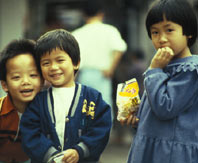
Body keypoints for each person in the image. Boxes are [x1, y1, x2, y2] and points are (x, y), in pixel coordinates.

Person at [20, 29, 112, 163]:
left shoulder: (93, 98)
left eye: (60, 60)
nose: (53, 67)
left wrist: (79, 151)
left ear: (76, 63)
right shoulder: (37, 102)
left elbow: (101, 129)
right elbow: (29, 133)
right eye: (46, 63)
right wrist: (50, 155)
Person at [124, 0, 198, 162]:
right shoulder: (162, 66)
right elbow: (155, 111)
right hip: (153, 147)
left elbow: (165, 107)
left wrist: (155, 70)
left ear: (189, 32)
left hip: (170, 153)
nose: (162, 38)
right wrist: (137, 119)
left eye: (169, 30)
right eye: (155, 32)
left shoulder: (190, 70)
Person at [72, 0, 127, 112]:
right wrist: (111, 69)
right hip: (103, 74)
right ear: (101, 13)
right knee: (103, 107)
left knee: (85, 108)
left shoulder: (76, 34)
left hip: (84, 74)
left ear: (83, 15)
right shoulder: (110, 30)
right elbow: (120, 49)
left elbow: (72, 58)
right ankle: (106, 130)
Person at [0, 39, 43, 163]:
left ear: (42, 80)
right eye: (16, 77)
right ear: (5, 85)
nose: (25, 82)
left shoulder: (48, 112)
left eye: (33, 75)